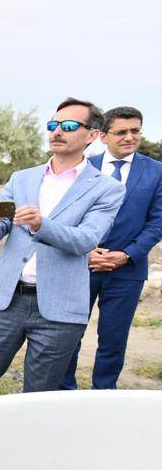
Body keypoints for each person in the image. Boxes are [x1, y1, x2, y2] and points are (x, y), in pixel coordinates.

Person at [0, 97, 125, 393]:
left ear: (93, 135)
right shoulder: (22, 178)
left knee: (39, 395)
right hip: (5, 300)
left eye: (69, 126)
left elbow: (85, 240)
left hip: (59, 308)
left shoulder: (107, 189)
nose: (58, 131)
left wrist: (41, 224)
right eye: (53, 124)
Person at [60, 106, 162, 390]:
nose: (130, 137)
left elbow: (157, 222)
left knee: (113, 339)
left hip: (127, 270)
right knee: (68, 334)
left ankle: (104, 392)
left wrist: (127, 254)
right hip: (80, 265)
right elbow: (67, 215)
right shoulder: (81, 168)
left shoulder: (157, 172)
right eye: (121, 132)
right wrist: (85, 250)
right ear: (102, 136)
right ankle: (63, 392)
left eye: (135, 131)